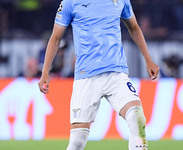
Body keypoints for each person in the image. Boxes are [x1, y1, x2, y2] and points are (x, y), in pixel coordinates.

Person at [38, 0, 159, 149]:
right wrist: (45, 72)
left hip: (116, 73)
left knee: (137, 118)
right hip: (86, 76)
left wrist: (148, 59)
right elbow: (56, 37)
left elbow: (134, 28)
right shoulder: (70, 2)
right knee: (77, 141)